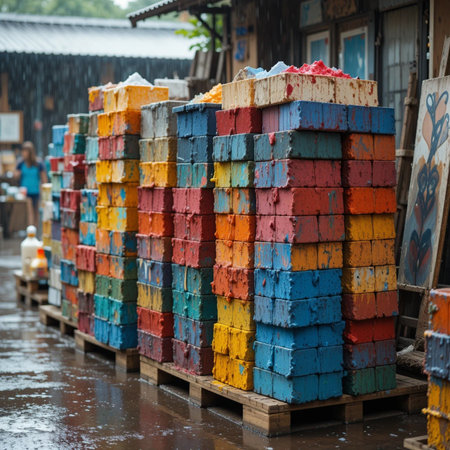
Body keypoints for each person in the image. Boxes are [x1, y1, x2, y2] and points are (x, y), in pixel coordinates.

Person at [15, 141, 47, 227]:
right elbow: (16, 176)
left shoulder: (38, 163)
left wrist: (44, 192)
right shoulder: (21, 163)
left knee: (36, 212)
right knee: (29, 211)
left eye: (26, 151)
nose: (24, 153)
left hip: (35, 191)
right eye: (23, 151)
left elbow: (44, 179)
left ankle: (34, 230)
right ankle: (29, 229)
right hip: (25, 192)